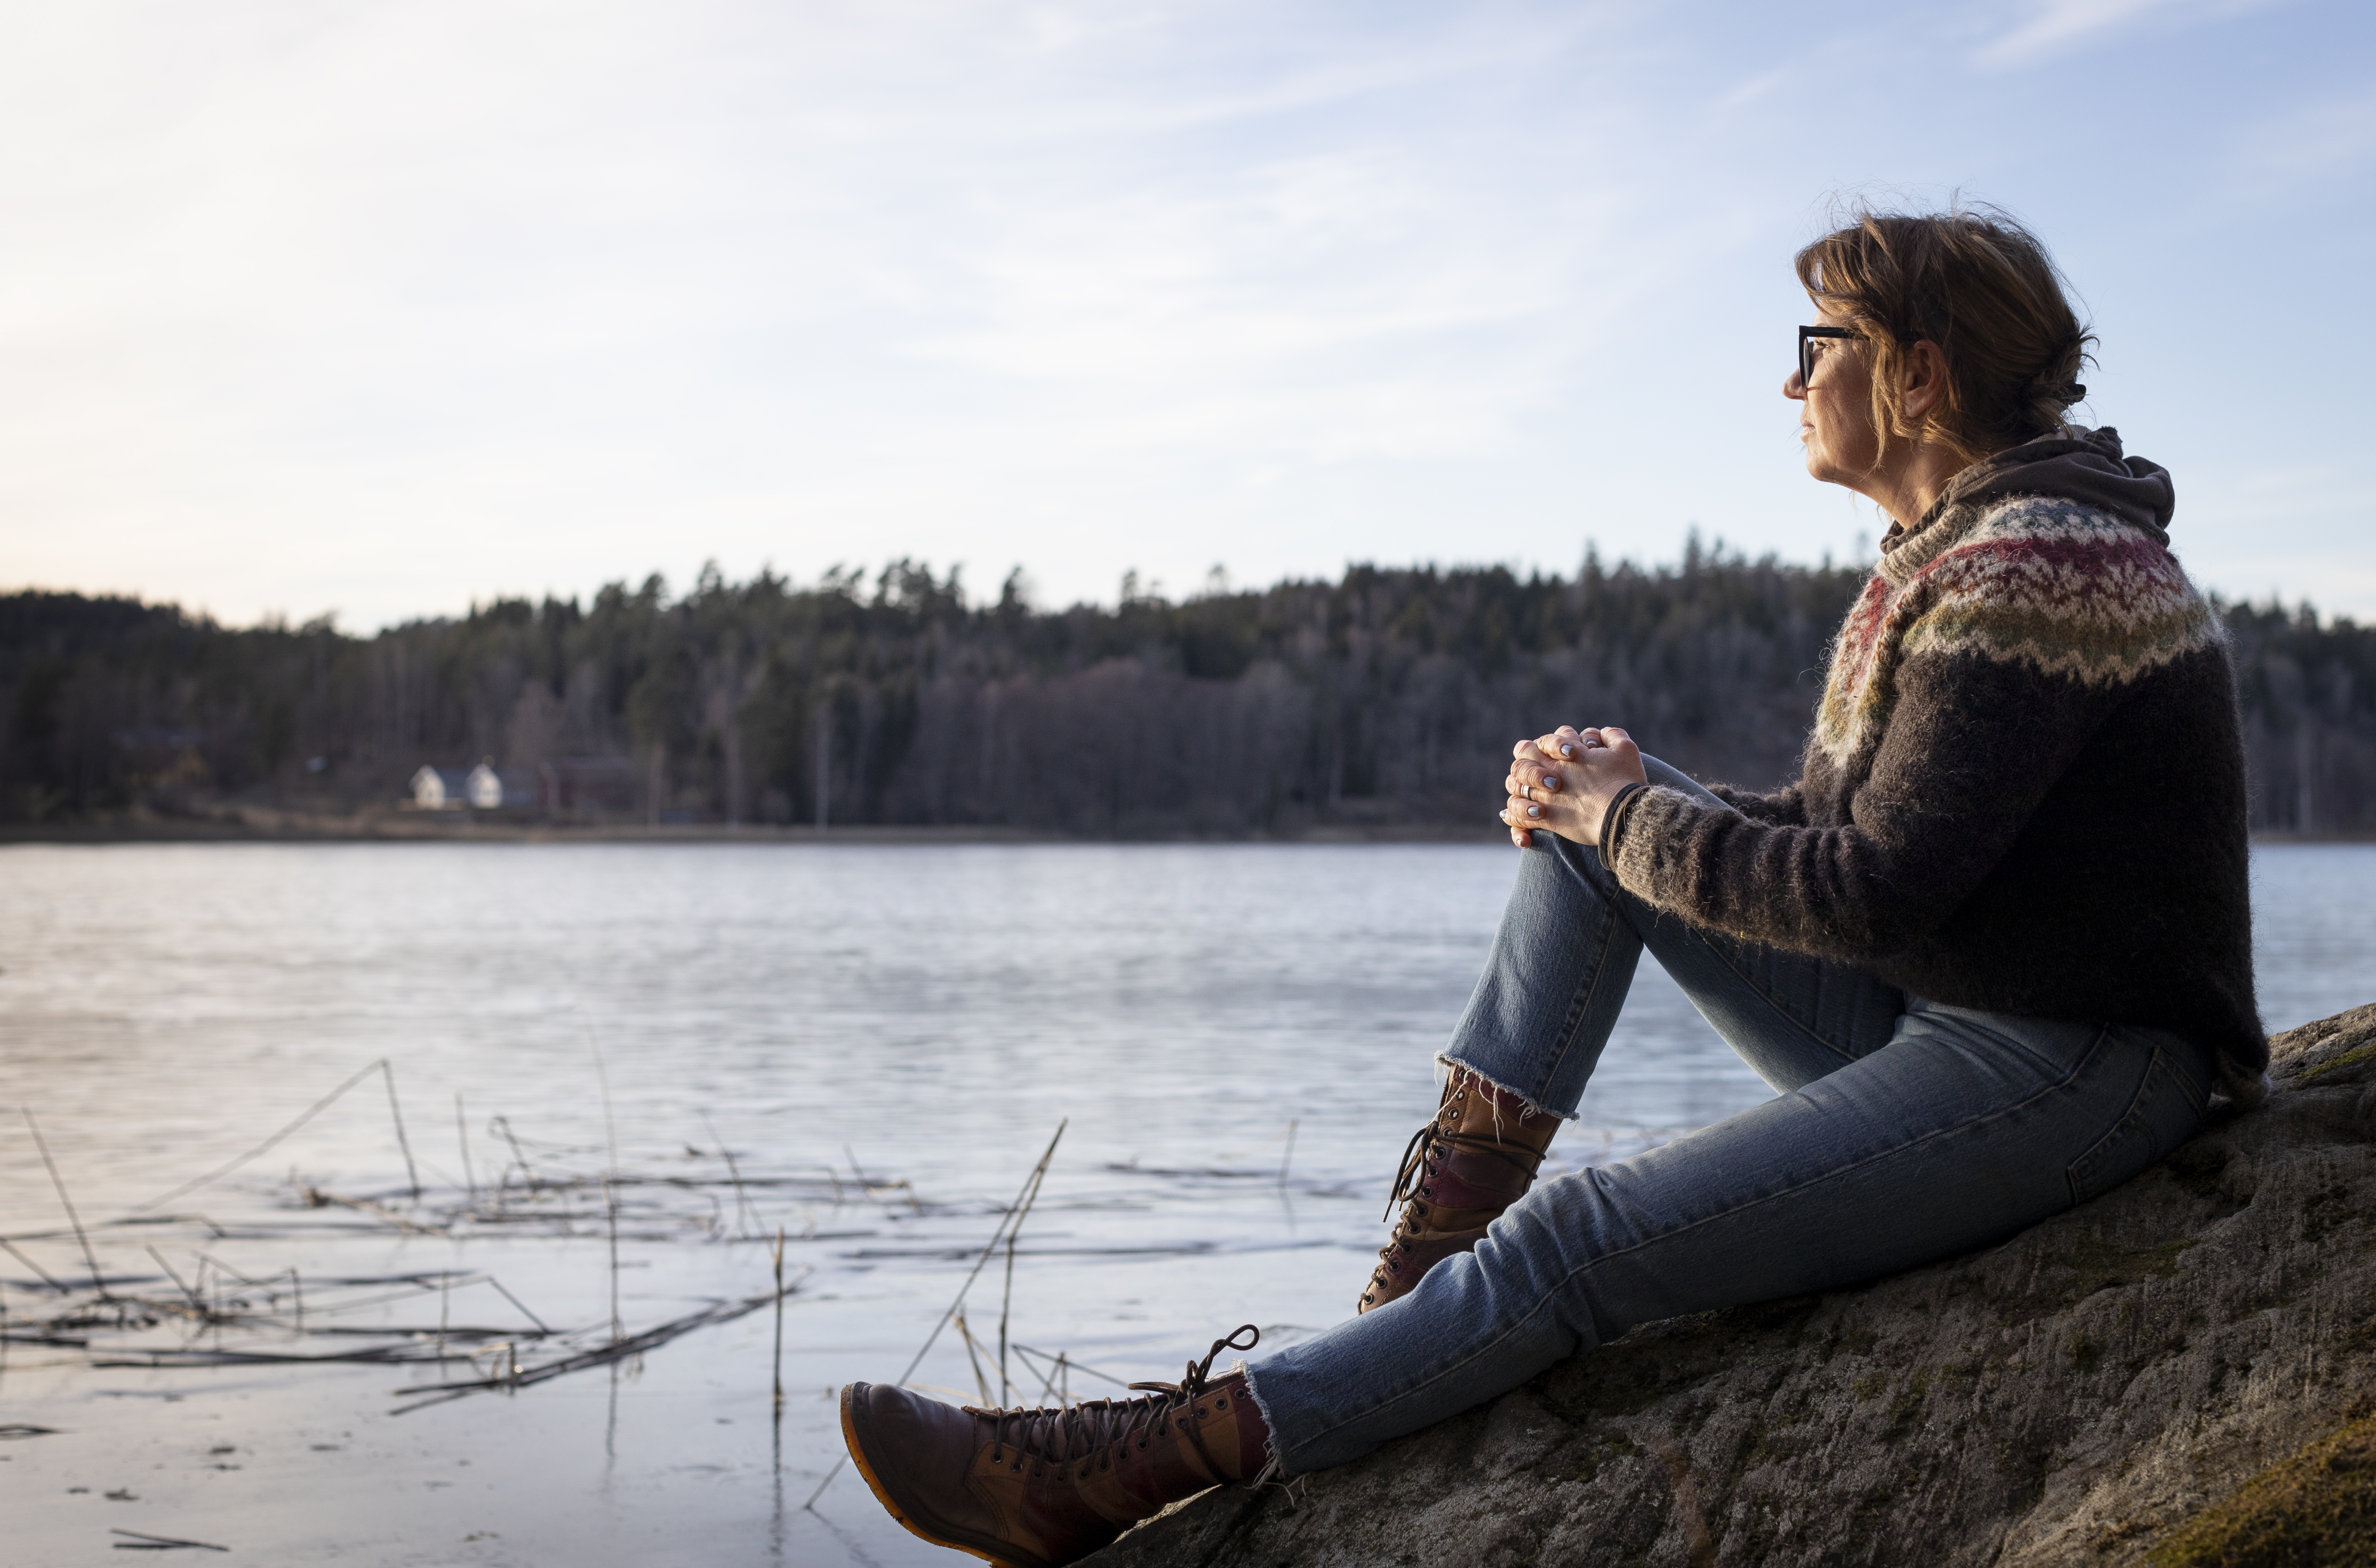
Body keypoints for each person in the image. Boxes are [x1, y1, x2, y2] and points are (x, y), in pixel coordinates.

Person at [835, 205, 2264, 1568]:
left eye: (1817, 342)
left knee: (1580, 1240)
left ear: (1917, 371)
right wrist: (1619, 799)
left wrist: (1633, 814)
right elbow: (1855, 837)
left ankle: (1135, 1463)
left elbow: (1875, 891)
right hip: (1963, 1013)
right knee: (1597, 831)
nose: (1789, 376)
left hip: (2076, 1067)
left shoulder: (2037, 566)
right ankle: (1419, 1281)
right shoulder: (1965, 548)